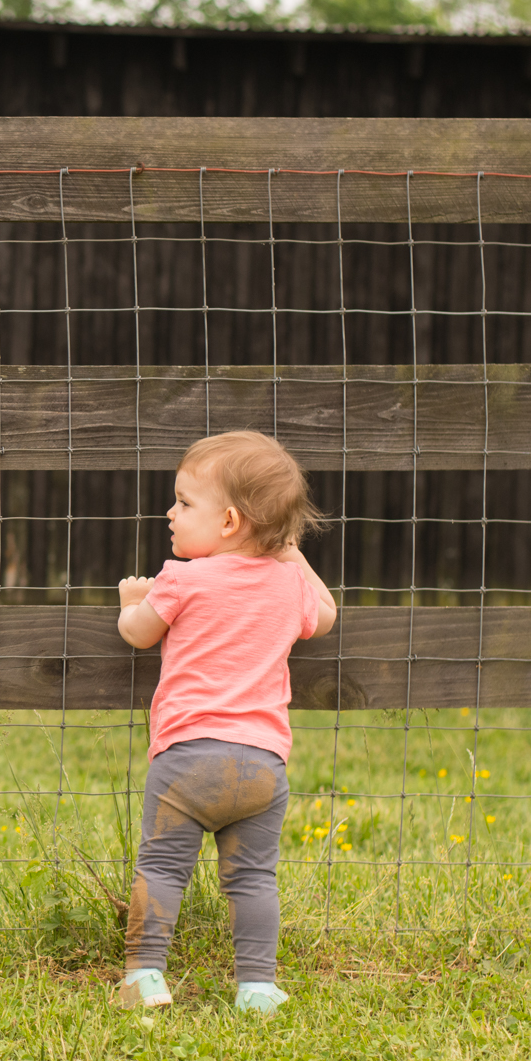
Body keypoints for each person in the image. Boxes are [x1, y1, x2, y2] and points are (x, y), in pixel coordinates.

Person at [112, 430, 337, 1016]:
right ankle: (257, 986)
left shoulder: (181, 578)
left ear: (230, 522)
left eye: (185, 503)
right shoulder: (290, 585)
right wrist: (290, 552)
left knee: (163, 869)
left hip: (187, 760)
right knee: (255, 879)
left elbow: (139, 633)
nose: (171, 512)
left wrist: (129, 602)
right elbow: (328, 614)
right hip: (262, 765)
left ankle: (144, 974)